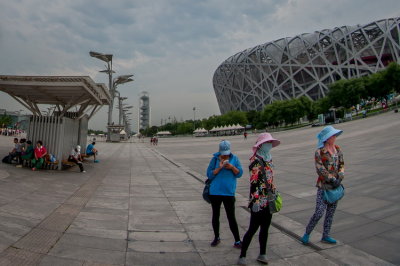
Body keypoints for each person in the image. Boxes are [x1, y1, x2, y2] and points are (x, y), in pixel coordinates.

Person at [237, 133, 280, 265]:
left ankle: (262, 253)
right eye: (267, 143)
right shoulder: (255, 161)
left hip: (269, 200)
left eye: (270, 143)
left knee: (265, 228)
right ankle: (242, 255)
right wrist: (255, 201)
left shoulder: (269, 158)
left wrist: (274, 193)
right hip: (258, 201)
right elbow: (254, 183)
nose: (269, 145)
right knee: (252, 228)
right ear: (260, 145)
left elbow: (271, 179)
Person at [301, 126, 344, 245]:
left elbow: (342, 164)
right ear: (326, 138)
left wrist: (340, 176)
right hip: (323, 186)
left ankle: (326, 235)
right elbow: (320, 169)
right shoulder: (319, 152)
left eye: (335, 135)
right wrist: (331, 178)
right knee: (319, 212)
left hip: (335, 186)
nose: (335, 137)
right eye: (332, 135)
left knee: (331, 212)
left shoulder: (337, 149)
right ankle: (307, 233)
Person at [206, 140, 243, 248]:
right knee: (215, 215)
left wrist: (232, 167)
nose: (225, 156)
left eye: (226, 154)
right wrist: (219, 168)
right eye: (223, 154)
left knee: (231, 216)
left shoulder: (235, 158)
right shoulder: (214, 159)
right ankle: (216, 237)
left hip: (228, 192)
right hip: (215, 192)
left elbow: (239, 173)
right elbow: (209, 174)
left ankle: (237, 240)